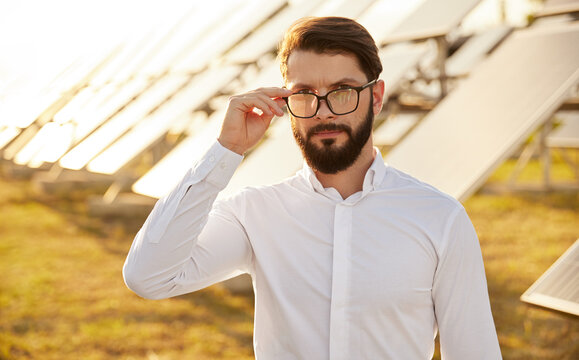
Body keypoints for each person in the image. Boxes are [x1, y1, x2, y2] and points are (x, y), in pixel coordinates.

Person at [123, 16, 502, 359]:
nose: (324, 111)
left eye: (343, 91)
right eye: (304, 93)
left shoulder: (440, 218)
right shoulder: (253, 213)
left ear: (376, 95)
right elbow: (148, 277)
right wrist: (226, 150)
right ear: (285, 101)